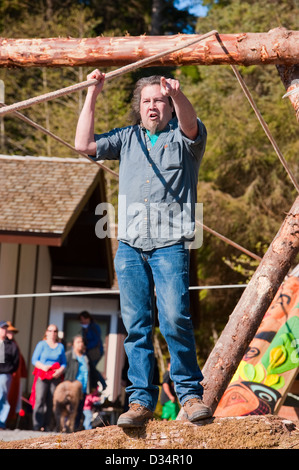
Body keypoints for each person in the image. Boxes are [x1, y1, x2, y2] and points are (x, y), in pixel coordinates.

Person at [75, 70, 212, 427]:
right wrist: (93, 91)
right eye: (147, 101)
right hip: (130, 247)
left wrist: (178, 94)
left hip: (170, 246)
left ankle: (190, 394)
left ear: (169, 107)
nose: (153, 106)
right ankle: (139, 402)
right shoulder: (126, 139)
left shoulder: (186, 140)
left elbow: (191, 123)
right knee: (136, 325)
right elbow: (83, 145)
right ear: (138, 107)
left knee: (173, 319)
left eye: (160, 100)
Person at [30, 324, 66, 431]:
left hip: (55, 377)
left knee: (51, 401)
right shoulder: (41, 344)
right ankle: (37, 425)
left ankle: (47, 425)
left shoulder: (60, 346)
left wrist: (60, 371)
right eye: (50, 331)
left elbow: (64, 363)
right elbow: (34, 360)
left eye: (55, 331)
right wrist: (43, 367)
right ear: (46, 332)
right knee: (40, 399)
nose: (52, 333)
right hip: (43, 375)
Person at [64, 334, 102, 430]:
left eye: (82, 342)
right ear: (73, 345)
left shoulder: (86, 357)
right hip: (71, 388)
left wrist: (96, 384)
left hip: (84, 389)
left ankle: (75, 429)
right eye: (78, 342)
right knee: (70, 409)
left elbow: (93, 372)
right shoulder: (68, 355)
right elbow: (64, 371)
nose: (81, 344)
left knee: (79, 410)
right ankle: (66, 428)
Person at [78, 311, 106, 391]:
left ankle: (102, 383)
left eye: (83, 319)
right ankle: (97, 383)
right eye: (81, 320)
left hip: (96, 351)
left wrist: (87, 347)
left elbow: (96, 340)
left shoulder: (94, 327)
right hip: (88, 352)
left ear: (88, 318)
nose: (82, 321)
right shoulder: (84, 329)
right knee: (90, 367)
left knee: (92, 367)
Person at [6, 322, 28, 423]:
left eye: (12, 332)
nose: (11, 334)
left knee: (10, 399)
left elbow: (19, 361)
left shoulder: (14, 345)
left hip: (13, 376)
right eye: (9, 331)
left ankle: (5, 421)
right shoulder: (3, 344)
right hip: (5, 374)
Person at [0, 320, 19, 429]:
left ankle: (1, 422)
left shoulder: (11, 345)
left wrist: (10, 370)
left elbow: (16, 361)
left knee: (2, 395)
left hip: (5, 374)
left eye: (5, 329)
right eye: (2, 328)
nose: (4, 331)